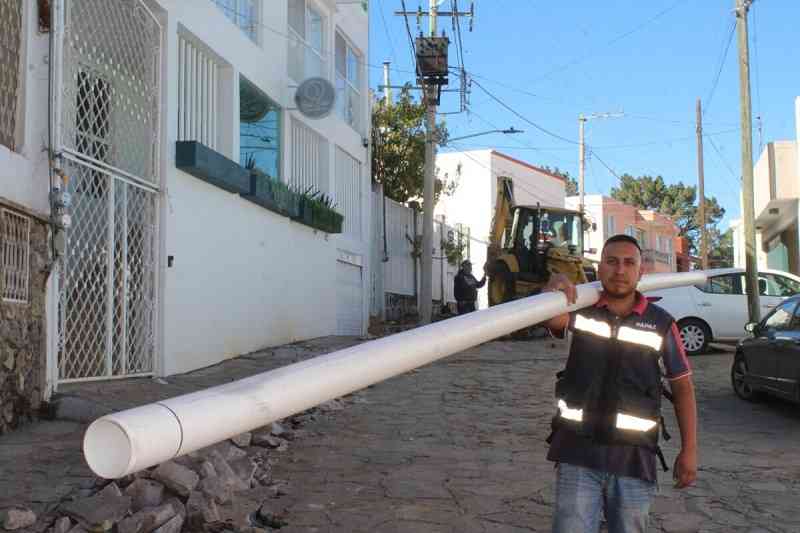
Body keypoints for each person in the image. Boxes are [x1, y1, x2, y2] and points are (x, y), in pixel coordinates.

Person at [542, 234, 697, 533]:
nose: (620, 270)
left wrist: (689, 449)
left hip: (634, 458)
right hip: (577, 451)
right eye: (611, 262)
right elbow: (551, 319)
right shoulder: (582, 310)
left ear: (641, 271)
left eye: (629, 263)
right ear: (599, 269)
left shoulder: (662, 323)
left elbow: (683, 387)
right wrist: (552, 288)